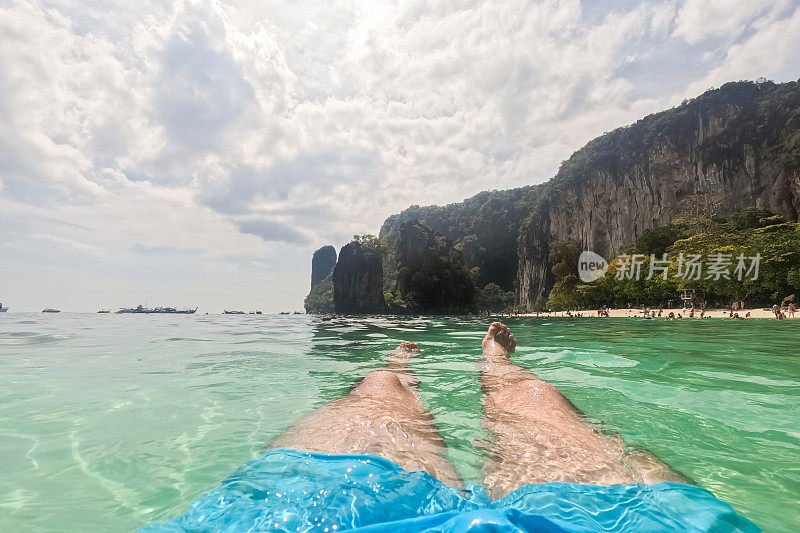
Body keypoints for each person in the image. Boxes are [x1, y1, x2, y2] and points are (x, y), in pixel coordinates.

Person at [146, 324, 757, 532]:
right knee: (535, 403)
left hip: (307, 511)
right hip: (620, 518)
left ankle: (395, 371)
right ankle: (495, 369)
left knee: (373, 402)